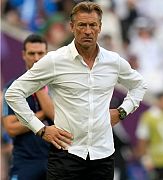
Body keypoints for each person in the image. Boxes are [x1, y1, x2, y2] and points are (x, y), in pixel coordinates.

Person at [5, 1, 147, 180]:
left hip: (102, 155)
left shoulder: (113, 61)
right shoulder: (56, 60)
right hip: (66, 154)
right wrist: (40, 129)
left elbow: (139, 84)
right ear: (72, 27)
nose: (87, 31)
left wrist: (122, 111)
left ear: (100, 27)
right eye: (82, 25)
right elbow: (14, 92)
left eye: (92, 25)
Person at [2, 34, 54, 180]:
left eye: (40, 53)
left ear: (47, 54)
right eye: (31, 53)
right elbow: (11, 128)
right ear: (23, 55)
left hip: (56, 161)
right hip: (25, 162)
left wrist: (37, 85)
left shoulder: (58, 86)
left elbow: (57, 117)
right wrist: (42, 114)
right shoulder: (13, 88)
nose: (36, 58)